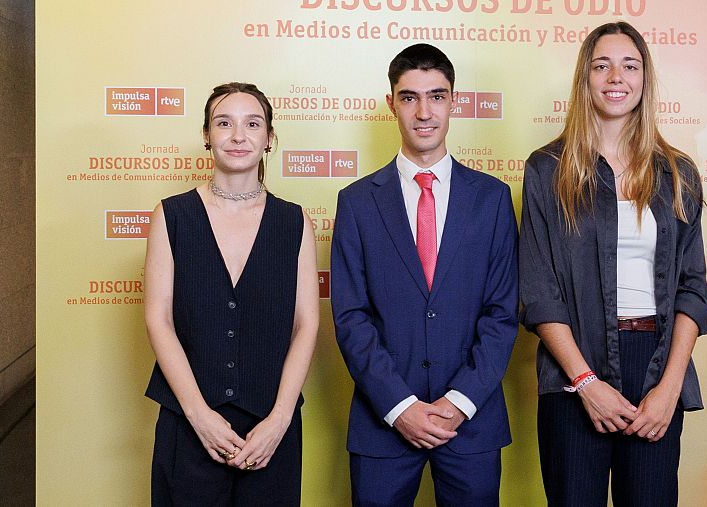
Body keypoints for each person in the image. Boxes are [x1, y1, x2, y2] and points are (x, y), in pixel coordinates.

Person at [519, 22, 707, 507]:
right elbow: (539, 290)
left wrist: (670, 389)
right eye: (601, 65)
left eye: (630, 65)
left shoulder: (677, 172)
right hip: (574, 367)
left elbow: (692, 288)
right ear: (584, 78)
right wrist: (585, 382)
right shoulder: (547, 168)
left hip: (655, 361)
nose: (616, 77)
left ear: (644, 78)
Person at [331, 43, 519, 506]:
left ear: (454, 101)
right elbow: (351, 317)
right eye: (410, 96)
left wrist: (460, 402)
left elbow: (502, 313)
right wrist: (400, 408)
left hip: (472, 423)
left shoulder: (493, 199)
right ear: (391, 103)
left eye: (436, 96)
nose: (424, 111)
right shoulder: (356, 203)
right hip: (384, 425)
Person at [143, 82, 319, 506]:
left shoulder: (294, 222)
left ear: (269, 139)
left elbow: (307, 323)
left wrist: (279, 420)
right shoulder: (172, 215)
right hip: (187, 427)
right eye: (224, 123)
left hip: (270, 432)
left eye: (252, 124)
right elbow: (158, 320)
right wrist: (199, 415)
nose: (238, 136)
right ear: (206, 135)